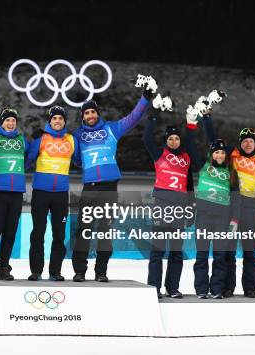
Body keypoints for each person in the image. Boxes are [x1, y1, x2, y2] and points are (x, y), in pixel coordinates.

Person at [71, 90, 150, 282]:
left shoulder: (111, 129)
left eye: (93, 112)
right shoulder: (77, 135)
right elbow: (76, 160)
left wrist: (145, 97)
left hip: (109, 188)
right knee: (84, 230)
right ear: (83, 116)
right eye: (86, 113)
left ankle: (101, 271)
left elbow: (134, 117)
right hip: (89, 188)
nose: (90, 116)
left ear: (98, 113)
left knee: (105, 230)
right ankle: (79, 271)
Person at [202, 114, 255, 298]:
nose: (247, 144)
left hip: (249, 206)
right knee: (229, 250)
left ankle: (250, 288)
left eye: (250, 141)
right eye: (244, 141)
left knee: (250, 251)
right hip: (231, 206)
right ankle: (228, 287)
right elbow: (214, 140)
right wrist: (206, 118)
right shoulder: (233, 154)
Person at [186, 113, 237, 299]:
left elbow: (236, 198)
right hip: (204, 217)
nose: (220, 155)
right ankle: (201, 289)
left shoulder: (231, 172)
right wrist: (191, 126)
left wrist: (235, 219)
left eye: (222, 152)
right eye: (216, 152)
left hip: (222, 219)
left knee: (220, 256)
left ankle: (216, 289)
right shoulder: (203, 165)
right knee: (201, 256)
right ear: (211, 153)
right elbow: (191, 146)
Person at [143, 109, 192, 299]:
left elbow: (189, 186)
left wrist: (190, 209)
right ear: (166, 140)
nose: (173, 142)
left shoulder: (186, 158)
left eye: (176, 139)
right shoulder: (159, 154)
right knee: (157, 250)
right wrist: (153, 117)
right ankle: (154, 287)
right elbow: (147, 139)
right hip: (162, 205)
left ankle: (172, 287)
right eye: (170, 139)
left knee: (176, 252)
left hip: (180, 207)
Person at [25, 105, 77, 281]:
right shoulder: (41, 139)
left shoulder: (71, 140)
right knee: (38, 232)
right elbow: (26, 161)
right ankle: (36, 271)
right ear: (50, 121)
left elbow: (79, 160)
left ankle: (55, 272)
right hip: (41, 192)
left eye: (60, 118)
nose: (57, 121)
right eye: (54, 118)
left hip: (61, 194)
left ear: (64, 122)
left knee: (59, 234)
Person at [0, 108, 29, 280]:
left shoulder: (22, 140)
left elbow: (29, 157)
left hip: (16, 192)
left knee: (10, 232)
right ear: (1, 123)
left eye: (13, 121)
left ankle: (4, 267)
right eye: (7, 120)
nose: (10, 123)